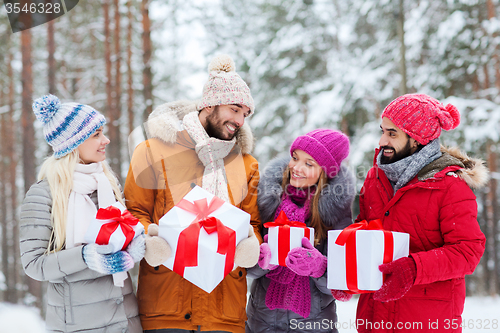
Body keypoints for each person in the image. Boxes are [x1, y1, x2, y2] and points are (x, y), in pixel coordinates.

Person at [124, 54, 261, 333]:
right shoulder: (153, 152)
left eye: (245, 114)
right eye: (234, 109)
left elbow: (253, 224)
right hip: (166, 306)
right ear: (209, 104)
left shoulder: (246, 164)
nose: (239, 120)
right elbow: (132, 211)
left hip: (224, 311)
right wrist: (150, 237)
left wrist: (251, 244)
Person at [351, 94, 487, 333]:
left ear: (417, 139)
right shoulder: (375, 178)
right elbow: (363, 234)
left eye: (392, 133)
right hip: (374, 319)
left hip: (426, 321)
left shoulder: (450, 185)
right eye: (382, 131)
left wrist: (414, 269)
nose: (382, 141)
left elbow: (468, 251)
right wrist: (349, 275)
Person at [20, 95, 144, 333]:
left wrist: (134, 245)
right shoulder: (44, 194)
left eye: (102, 133)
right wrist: (87, 256)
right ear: (73, 142)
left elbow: (123, 231)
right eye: (96, 134)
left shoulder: (107, 183)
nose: (105, 140)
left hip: (126, 321)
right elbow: (34, 264)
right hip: (80, 326)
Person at [246, 129, 355, 333]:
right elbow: (246, 270)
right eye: (295, 158)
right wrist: (260, 260)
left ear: (325, 172)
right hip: (262, 322)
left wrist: (319, 267)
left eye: (309, 163)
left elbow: (342, 284)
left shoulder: (336, 212)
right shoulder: (267, 200)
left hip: (314, 324)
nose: (296, 167)